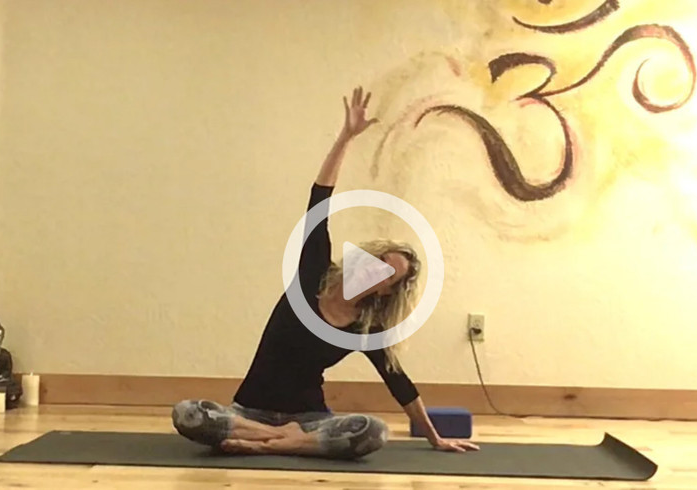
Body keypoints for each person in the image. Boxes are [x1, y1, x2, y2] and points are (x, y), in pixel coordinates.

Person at [172, 87, 480, 459]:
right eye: (381, 260)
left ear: (386, 290)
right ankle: (280, 439)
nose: (378, 269)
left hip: (310, 418)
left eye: (389, 274)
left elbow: (399, 383)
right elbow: (320, 197)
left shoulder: (365, 328)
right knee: (188, 413)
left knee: (375, 432)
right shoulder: (313, 272)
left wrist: (435, 438)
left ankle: (274, 442)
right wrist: (346, 137)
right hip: (248, 412)